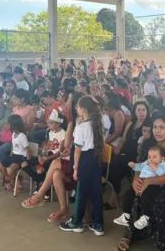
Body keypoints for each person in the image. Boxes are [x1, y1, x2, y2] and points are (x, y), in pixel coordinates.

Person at [116, 115, 165, 251]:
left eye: (162, 127)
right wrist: (136, 180)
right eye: (155, 127)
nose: (157, 131)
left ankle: (164, 244)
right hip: (149, 184)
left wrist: (148, 181)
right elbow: (141, 165)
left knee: (157, 202)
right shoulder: (149, 145)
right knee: (134, 195)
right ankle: (129, 234)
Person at [59, 95, 105, 236]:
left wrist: (75, 168)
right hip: (96, 160)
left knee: (81, 194)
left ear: (83, 109)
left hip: (84, 161)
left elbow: (77, 150)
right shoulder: (97, 123)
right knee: (96, 194)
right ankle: (98, 225)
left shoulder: (81, 127)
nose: (76, 109)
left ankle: (76, 222)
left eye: (77, 107)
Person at [104, 101, 149, 210]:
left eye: (143, 110)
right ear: (135, 111)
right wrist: (118, 148)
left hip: (137, 156)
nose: (141, 112)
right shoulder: (130, 124)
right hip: (125, 152)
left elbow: (146, 143)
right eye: (139, 110)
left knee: (115, 167)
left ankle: (114, 199)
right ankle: (115, 195)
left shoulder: (148, 126)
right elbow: (123, 139)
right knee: (108, 165)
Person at [114, 146, 165, 230]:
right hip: (141, 181)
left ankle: (145, 218)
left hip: (154, 184)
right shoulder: (147, 162)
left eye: (155, 157)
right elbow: (140, 167)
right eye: (149, 157)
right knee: (127, 195)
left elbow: (162, 173)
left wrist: (153, 166)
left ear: (162, 158)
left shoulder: (163, 164)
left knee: (146, 197)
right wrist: (134, 166)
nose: (151, 159)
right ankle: (126, 216)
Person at [0, 114, 31, 194]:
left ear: (14, 125)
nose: (6, 125)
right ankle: (16, 180)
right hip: (14, 156)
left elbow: (27, 149)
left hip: (21, 157)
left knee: (10, 170)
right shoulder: (13, 134)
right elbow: (13, 146)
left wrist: (28, 161)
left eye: (8, 124)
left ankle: (18, 185)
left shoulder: (22, 136)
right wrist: (11, 155)